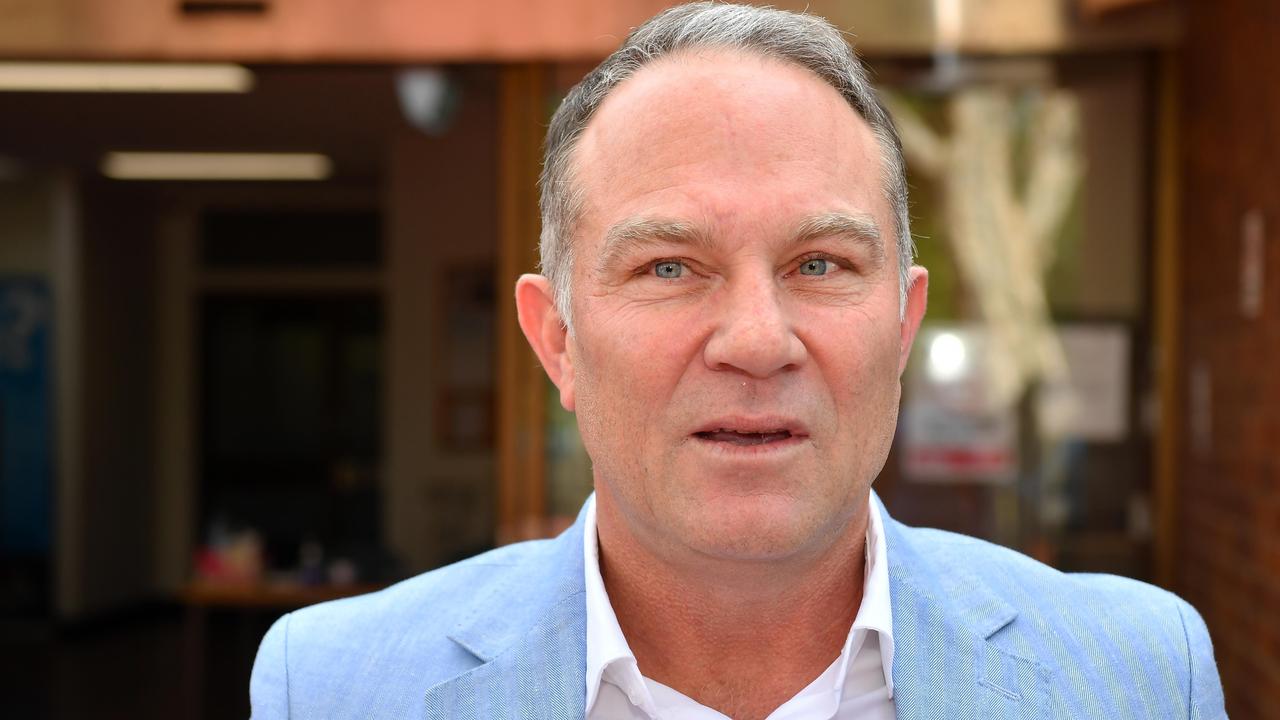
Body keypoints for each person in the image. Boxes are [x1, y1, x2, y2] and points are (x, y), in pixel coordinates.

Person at [250, 3, 1226, 718]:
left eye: (818, 263)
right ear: (556, 341)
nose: (756, 341)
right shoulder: (333, 687)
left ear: (899, 326)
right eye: (669, 266)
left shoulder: (1139, 676)